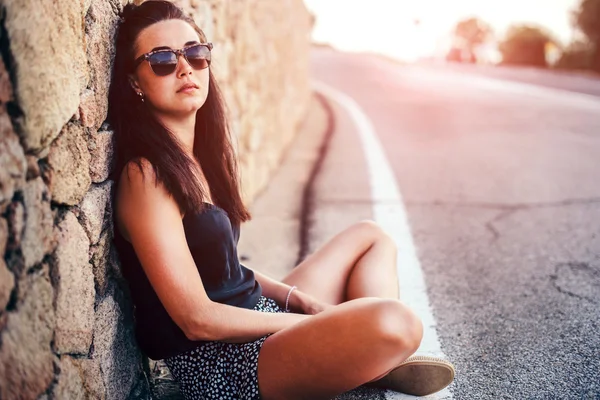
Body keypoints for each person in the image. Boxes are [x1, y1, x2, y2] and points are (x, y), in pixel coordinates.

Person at [107, 1, 455, 399]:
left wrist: (298, 300)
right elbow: (196, 320)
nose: (185, 67)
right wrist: (316, 323)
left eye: (195, 53)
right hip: (224, 364)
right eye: (163, 60)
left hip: (258, 321)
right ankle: (368, 358)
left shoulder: (196, 158)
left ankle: (363, 356)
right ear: (135, 82)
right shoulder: (145, 176)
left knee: (371, 237)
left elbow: (225, 270)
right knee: (398, 323)